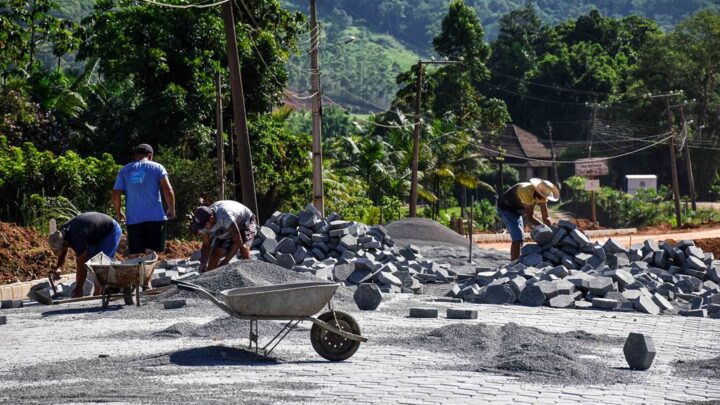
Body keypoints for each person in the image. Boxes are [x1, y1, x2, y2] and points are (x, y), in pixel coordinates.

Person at [112, 143, 176, 258]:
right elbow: (168, 189)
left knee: (134, 253)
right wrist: (171, 209)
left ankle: (134, 274)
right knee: (150, 253)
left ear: (136, 156)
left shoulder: (125, 170)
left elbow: (116, 193)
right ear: (150, 156)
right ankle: (148, 275)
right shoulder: (157, 167)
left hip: (133, 219)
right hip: (155, 218)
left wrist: (118, 212)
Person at [48, 212, 122, 298]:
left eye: (62, 248)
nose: (62, 250)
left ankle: (98, 294)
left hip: (110, 230)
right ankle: (102, 289)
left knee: (100, 262)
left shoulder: (77, 236)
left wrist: (78, 289)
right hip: (94, 232)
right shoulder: (60, 233)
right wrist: (59, 268)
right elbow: (64, 250)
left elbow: (82, 263)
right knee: (91, 259)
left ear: (64, 243)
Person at [497, 178, 560, 261]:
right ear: (538, 191)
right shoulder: (527, 192)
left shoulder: (542, 196)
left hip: (516, 210)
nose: (544, 198)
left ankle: (517, 263)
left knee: (521, 239)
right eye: (543, 196)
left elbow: (546, 217)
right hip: (505, 208)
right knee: (518, 238)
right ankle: (513, 264)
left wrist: (551, 231)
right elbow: (530, 217)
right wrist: (544, 228)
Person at [191, 200, 257, 273]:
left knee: (244, 248)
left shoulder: (225, 216)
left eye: (204, 225)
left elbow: (238, 242)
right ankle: (212, 281)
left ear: (211, 218)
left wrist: (225, 262)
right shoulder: (203, 224)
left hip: (245, 220)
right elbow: (206, 245)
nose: (203, 228)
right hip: (227, 226)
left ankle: (252, 274)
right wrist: (203, 263)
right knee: (215, 254)